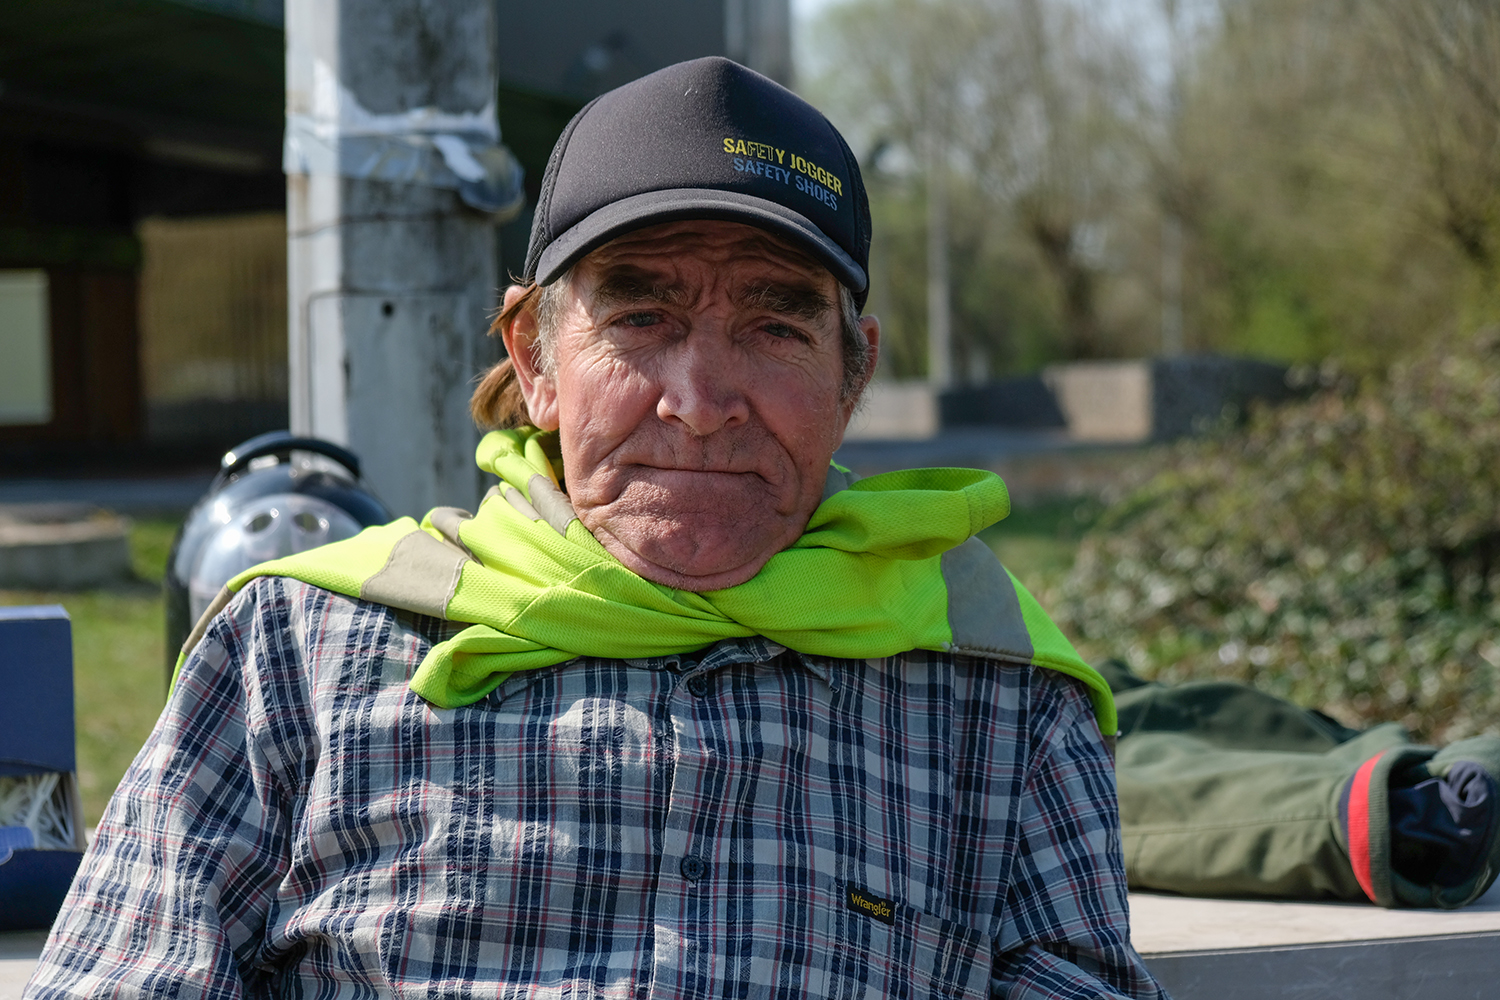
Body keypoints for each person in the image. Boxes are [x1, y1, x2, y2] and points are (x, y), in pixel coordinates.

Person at [27, 58, 1168, 999]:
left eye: (775, 325)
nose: (700, 398)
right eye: (640, 315)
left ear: (853, 370)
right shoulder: (296, 650)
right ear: (534, 358)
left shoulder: (998, 692)